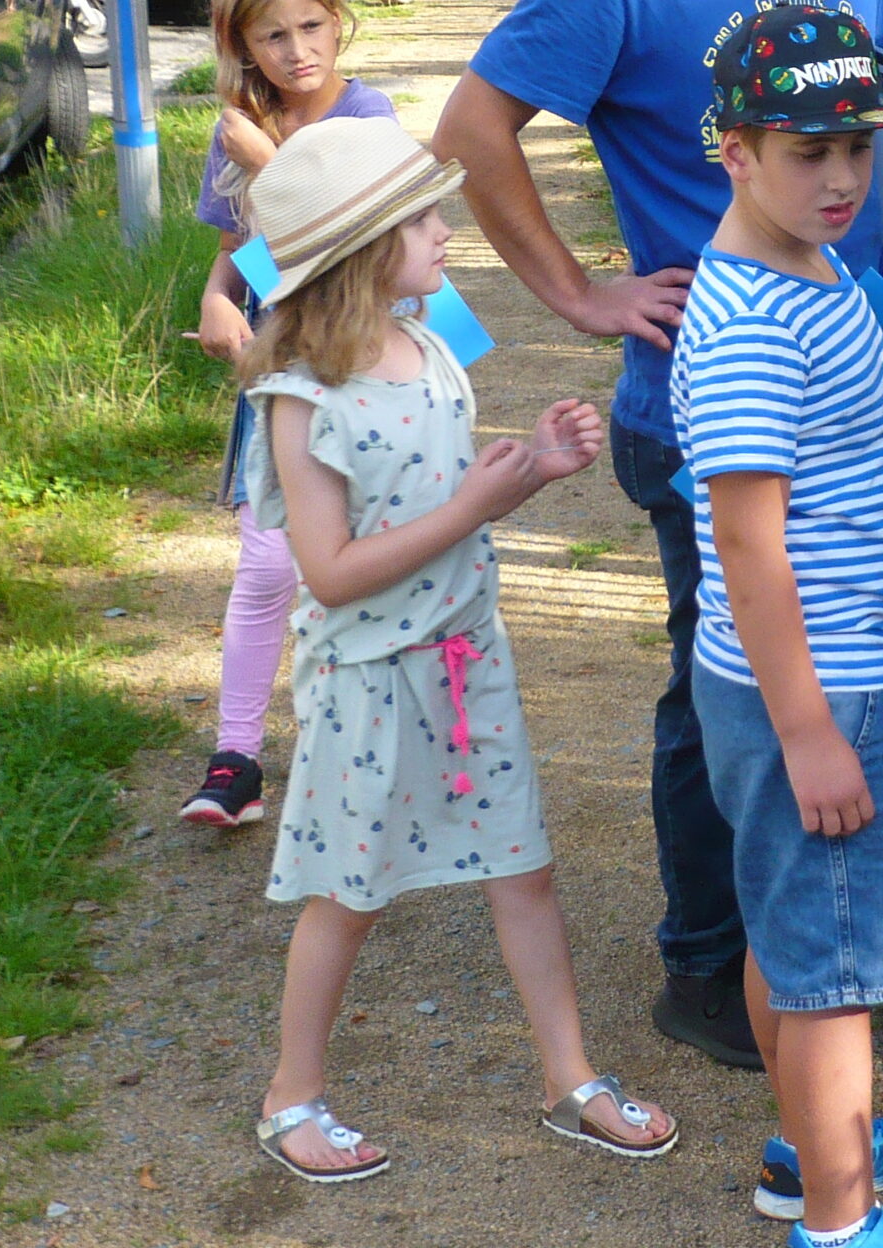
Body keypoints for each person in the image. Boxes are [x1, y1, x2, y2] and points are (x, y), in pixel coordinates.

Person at [432, 0, 883, 1073]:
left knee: (838, 649)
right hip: (707, 398)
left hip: (851, 364)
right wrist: (580, 295)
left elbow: (879, 128)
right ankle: (709, 964)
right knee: (715, 682)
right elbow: (471, 125)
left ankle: (813, 940)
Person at [238, 114, 675, 1183]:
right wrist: (479, 503)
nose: (447, 233)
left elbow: (446, 481)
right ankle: (289, 1095)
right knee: (348, 893)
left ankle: (567, 1078)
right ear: (357, 252)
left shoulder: (432, 339)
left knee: (523, 869)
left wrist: (530, 464)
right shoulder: (300, 400)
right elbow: (333, 569)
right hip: (368, 684)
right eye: (425, 218)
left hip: (465, 662)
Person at [672, 6, 883, 1248]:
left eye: (858, 145)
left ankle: (810, 1145)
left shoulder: (812, 267)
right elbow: (746, 545)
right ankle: (845, 1225)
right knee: (838, 973)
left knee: (793, 937)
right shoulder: (755, 317)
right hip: (817, 685)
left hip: (807, 666)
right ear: (734, 152)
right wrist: (809, 732)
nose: (845, 175)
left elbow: (799, 493)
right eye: (808, 152)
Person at [180, 0, 398, 829]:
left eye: (311, 26)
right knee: (268, 564)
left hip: (361, 372)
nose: (297, 51)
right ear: (240, 45)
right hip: (278, 378)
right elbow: (238, 255)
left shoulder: (368, 116)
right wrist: (218, 301)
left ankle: (362, 748)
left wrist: (275, 164)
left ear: (338, 22)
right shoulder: (238, 128)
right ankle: (236, 757)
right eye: (273, 36)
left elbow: (369, 247)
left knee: (355, 567)